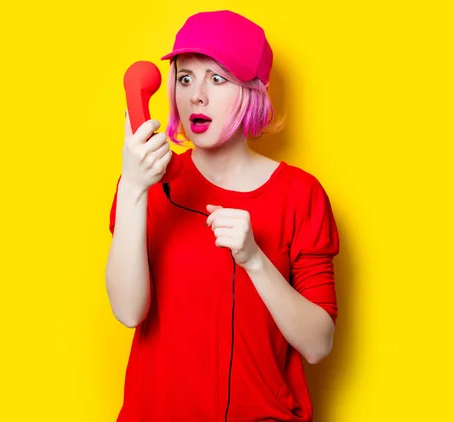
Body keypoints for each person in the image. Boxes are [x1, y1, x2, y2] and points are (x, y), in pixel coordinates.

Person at [105, 9, 339, 422]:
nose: (196, 95)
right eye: (185, 78)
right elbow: (128, 311)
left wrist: (254, 260)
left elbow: (318, 345)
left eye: (217, 79)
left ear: (254, 91)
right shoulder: (149, 184)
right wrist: (134, 188)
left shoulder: (300, 195)